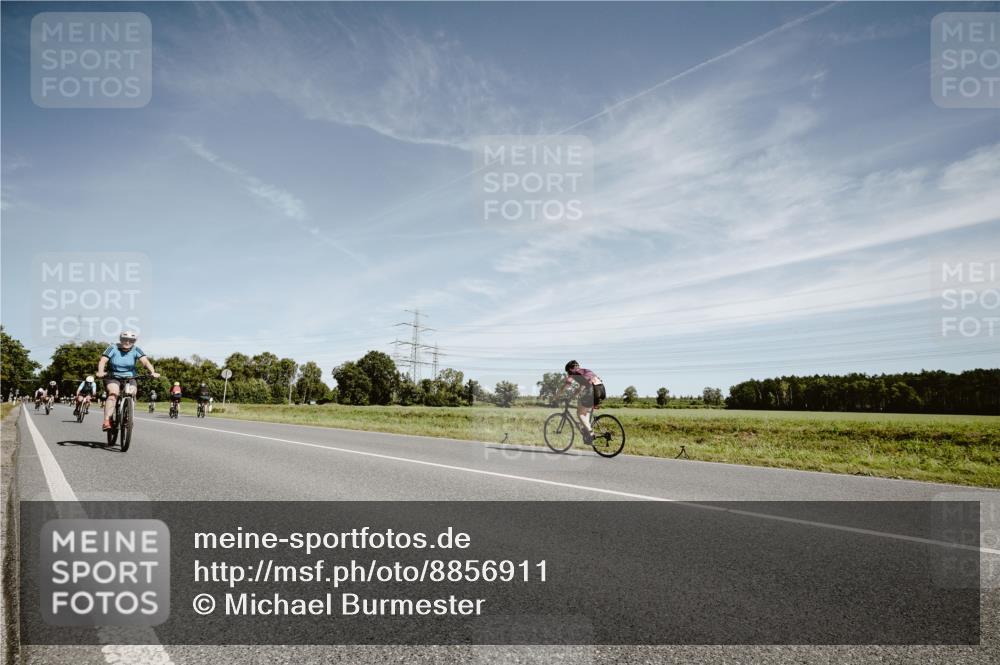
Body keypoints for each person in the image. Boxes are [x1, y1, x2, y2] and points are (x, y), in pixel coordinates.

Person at [95, 330, 160, 431]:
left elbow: (145, 362)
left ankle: (128, 417)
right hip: (113, 376)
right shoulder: (113, 347)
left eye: (131, 340)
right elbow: (103, 360)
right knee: (113, 394)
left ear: (134, 341)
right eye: (125, 339)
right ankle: (107, 420)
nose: (128, 342)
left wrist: (152, 372)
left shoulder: (136, 349)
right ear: (121, 339)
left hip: (130, 377)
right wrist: (100, 371)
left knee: (132, 392)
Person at [554, 360, 606, 444]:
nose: (568, 374)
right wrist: (572, 396)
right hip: (601, 390)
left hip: (592, 390)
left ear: (570, 369)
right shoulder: (584, 372)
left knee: (580, 414)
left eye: (567, 372)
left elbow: (567, 385)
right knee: (585, 412)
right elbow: (581, 388)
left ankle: (590, 433)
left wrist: (556, 396)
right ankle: (587, 432)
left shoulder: (573, 372)